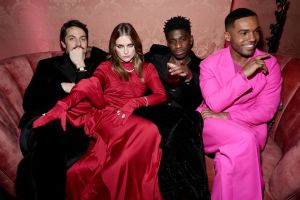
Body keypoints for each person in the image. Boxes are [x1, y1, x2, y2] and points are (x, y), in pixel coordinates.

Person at [32, 22, 166, 200]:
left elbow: (161, 95)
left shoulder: (146, 68)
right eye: (120, 46)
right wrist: (62, 106)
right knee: (148, 130)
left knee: (120, 156)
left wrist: (136, 102)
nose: (125, 51)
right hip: (103, 115)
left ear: (136, 45)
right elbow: (90, 85)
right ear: (114, 48)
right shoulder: (106, 66)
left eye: (129, 45)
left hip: (126, 116)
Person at [15, 20, 107, 200]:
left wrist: (81, 66)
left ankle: (28, 171)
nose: (79, 43)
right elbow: (30, 100)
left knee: (31, 167)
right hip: (42, 124)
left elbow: (92, 101)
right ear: (63, 44)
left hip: (76, 131)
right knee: (50, 132)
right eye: (72, 38)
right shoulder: (47, 65)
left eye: (83, 39)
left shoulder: (97, 66)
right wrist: (61, 87)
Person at [197, 8, 282, 200]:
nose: (252, 38)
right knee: (244, 139)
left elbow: (266, 111)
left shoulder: (270, 64)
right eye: (244, 33)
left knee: (228, 162)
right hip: (212, 123)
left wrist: (229, 116)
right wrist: (244, 74)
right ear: (228, 35)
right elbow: (215, 104)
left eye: (256, 31)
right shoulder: (209, 65)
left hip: (248, 124)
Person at [134, 16, 210, 199]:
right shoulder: (156, 57)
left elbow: (195, 103)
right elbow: (130, 61)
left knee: (188, 124)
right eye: (173, 41)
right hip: (152, 112)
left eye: (183, 39)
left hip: (179, 118)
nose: (178, 46)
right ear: (167, 43)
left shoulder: (202, 66)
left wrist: (189, 77)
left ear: (190, 40)